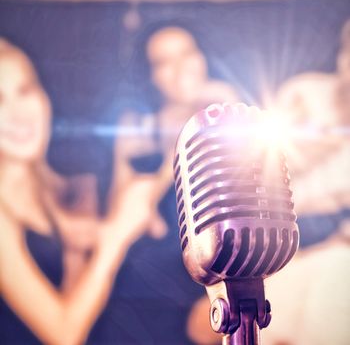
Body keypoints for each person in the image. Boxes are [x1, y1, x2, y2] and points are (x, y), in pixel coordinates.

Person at [186, 20, 350, 345]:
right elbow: (255, 159)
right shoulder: (306, 94)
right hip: (264, 239)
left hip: (333, 252)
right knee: (204, 325)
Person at [0, 38, 165, 345]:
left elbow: (83, 269)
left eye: (25, 90)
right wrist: (116, 234)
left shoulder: (55, 185)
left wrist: (123, 165)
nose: (18, 113)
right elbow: (64, 335)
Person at [113, 25, 240, 217]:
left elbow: (251, 182)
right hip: (156, 232)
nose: (181, 68)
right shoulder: (139, 125)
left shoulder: (223, 106)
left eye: (187, 53)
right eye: (164, 62)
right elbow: (118, 205)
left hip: (220, 227)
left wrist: (229, 104)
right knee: (139, 189)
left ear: (203, 58)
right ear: (151, 76)